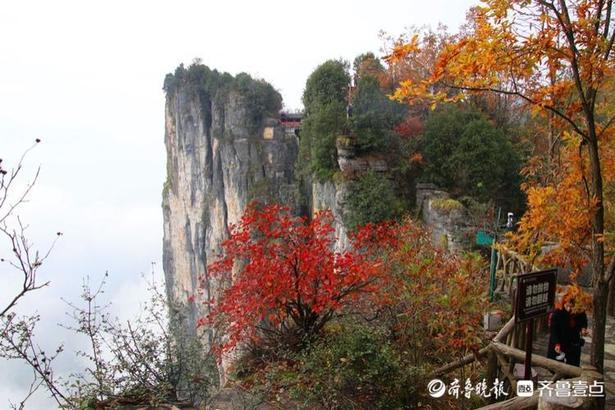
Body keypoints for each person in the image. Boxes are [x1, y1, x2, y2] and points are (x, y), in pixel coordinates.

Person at [547, 295, 588, 366]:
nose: (569, 309)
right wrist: (557, 343)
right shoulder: (558, 312)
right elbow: (553, 330)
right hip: (560, 341)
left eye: (571, 307)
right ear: (564, 303)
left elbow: (583, 321)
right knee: (556, 365)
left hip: (573, 342)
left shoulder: (579, 311)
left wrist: (583, 329)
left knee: (572, 365)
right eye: (567, 306)